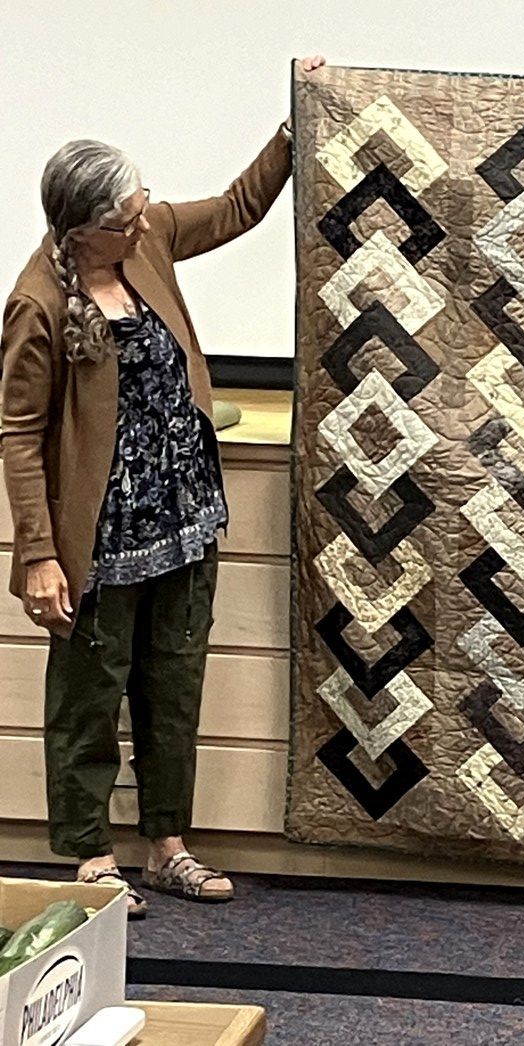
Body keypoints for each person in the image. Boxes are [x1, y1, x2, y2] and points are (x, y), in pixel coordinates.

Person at [1, 54, 326, 917]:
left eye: (144, 208)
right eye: (129, 217)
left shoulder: (147, 248)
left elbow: (233, 208)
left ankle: (167, 847)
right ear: (84, 232)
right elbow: (20, 434)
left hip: (183, 519)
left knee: (173, 687)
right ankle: (88, 859)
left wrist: (294, 127)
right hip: (98, 542)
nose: (146, 224)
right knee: (86, 701)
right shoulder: (36, 303)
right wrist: (38, 555)